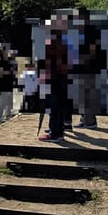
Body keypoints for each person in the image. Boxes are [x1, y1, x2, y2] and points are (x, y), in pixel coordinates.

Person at [41, 13, 69, 141]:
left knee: (54, 106)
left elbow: (51, 62)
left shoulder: (52, 42)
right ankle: (59, 131)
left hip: (55, 77)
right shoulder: (63, 41)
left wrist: (45, 77)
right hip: (62, 76)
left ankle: (54, 133)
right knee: (59, 106)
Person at [0, 44, 17, 123]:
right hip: (2, 83)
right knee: (2, 101)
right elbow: (0, 73)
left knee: (9, 100)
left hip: (9, 83)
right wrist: (10, 72)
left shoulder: (8, 60)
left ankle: (8, 114)